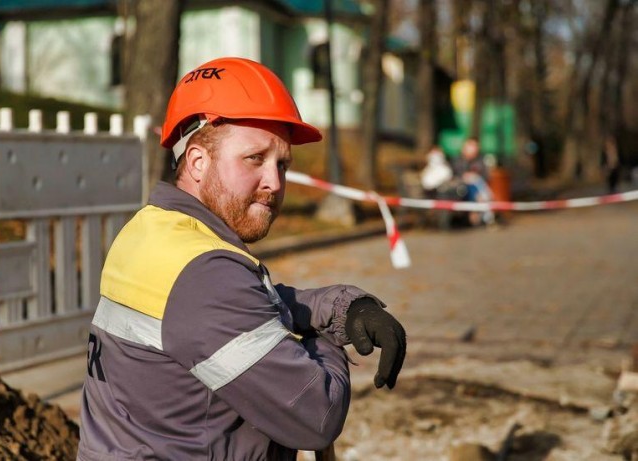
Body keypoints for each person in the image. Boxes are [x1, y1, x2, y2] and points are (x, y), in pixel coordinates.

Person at [78, 57, 406, 460]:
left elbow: (242, 309)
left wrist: (341, 307)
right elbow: (315, 415)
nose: (274, 182)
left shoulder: (151, 230)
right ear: (198, 162)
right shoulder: (205, 274)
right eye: (255, 158)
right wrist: (324, 343)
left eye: (282, 163)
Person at [452, 137, 494, 226]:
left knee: (476, 181)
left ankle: (480, 212)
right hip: (461, 187)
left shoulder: (480, 161)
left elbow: (486, 176)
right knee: (474, 185)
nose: (473, 149)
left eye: (475, 147)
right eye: (471, 146)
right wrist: (464, 177)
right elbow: (454, 175)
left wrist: (474, 176)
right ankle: (486, 216)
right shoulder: (457, 160)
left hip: (477, 187)